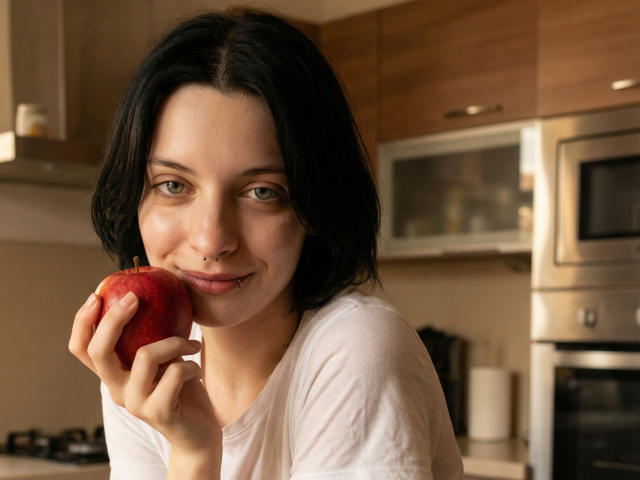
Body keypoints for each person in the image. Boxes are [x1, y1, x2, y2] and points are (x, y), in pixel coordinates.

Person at [68, 9, 463, 480]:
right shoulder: (149, 361)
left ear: (315, 207)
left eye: (262, 192)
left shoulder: (356, 347)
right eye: (173, 185)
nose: (211, 240)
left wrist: (196, 456)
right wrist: (193, 450)